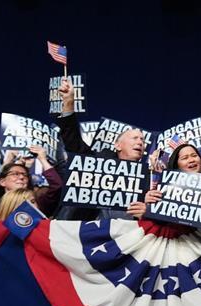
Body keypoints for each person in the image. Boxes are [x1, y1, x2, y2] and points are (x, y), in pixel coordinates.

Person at [55, 77, 146, 220]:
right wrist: (69, 103)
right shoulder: (97, 161)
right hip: (84, 232)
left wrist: (146, 213)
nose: (140, 142)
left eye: (142, 140)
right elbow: (74, 143)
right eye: (134, 138)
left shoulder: (146, 178)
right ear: (117, 145)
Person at [0, 146, 62, 216]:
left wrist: (43, 159)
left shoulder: (38, 201)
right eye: (15, 174)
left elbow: (57, 186)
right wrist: (8, 159)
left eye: (25, 175)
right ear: (3, 182)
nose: (21, 177)